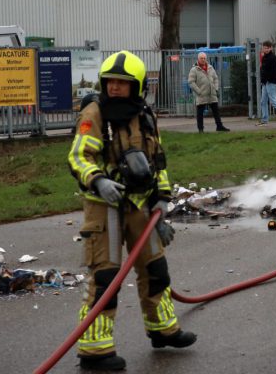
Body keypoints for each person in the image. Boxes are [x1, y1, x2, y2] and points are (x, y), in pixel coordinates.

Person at [68, 51, 196, 371]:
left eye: (122, 84)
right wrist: (98, 182)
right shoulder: (94, 112)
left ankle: (163, 329)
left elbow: (158, 161)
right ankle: (94, 349)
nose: (114, 88)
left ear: (137, 87)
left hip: (141, 206)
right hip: (105, 206)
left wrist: (162, 200)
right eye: (110, 81)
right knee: (105, 277)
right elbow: (78, 157)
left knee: (156, 270)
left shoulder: (145, 115)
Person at [187, 52, 230, 133]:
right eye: (201, 58)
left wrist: (216, 88)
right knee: (200, 112)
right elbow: (191, 82)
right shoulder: (194, 69)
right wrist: (198, 91)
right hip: (201, 94)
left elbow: (216, 78)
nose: (203, 60)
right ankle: (201, 129)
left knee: (216, 111)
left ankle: (219, 126)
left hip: (212, 93)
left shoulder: (210, 67)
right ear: (198, 59)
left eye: (204, 58)